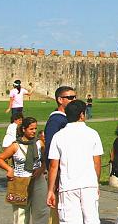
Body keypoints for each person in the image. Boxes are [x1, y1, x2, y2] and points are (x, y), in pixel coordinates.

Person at [46, 99, 103, 224]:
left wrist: (50, 190)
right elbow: (97, 163)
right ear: (82, 115)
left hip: (68, 185)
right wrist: (96, 183)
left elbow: (53, 166)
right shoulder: (92, 134)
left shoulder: (59, 136)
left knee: (69, 220)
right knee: (92, 219)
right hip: (88, 184)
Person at [0, 116, 48, 224]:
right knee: (20, 213)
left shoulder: (39, 143)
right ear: (24, 129)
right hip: (20, 180)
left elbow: (45, 159)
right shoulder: (16, 145)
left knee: (41, 211)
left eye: (35, 129)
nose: (34, 131)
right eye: (31, 129)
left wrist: (42, 168)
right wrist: (9, 169)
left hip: (37, 179)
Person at [44, 85, 76, 224]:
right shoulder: (56, 120)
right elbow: (51, 151)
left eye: (74, 97)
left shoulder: (65, 119)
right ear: (60, 100)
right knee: (59, 213)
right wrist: (54, 177)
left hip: (68, 173)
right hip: (60, 173)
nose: (73, 100)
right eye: (70, 98)